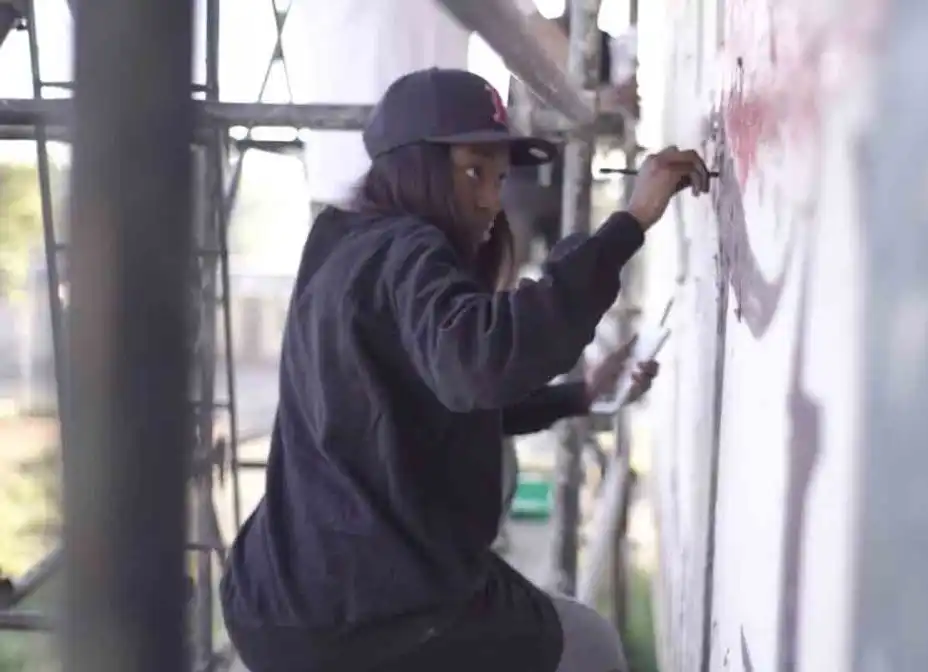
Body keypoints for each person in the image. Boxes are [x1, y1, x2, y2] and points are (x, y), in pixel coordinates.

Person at [219, 66, 711, 672]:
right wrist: (629, 223)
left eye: (500, 177)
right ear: (412, 166)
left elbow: (440, 400)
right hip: (369, 612)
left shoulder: (342, 248)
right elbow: (483, 363)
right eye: (473, 171)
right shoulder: (406, 252)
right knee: (586, 647)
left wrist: (580, 394)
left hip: (280, 600)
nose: (490, 198)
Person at [503, 11, 639, 268]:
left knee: (568, 269)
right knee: (509, 268)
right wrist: (602, 103)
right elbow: (531, 113)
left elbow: (621, 114)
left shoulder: (603, 47)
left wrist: (613, 105)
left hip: (567, 180)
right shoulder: (539, 34)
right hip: (524, 176)